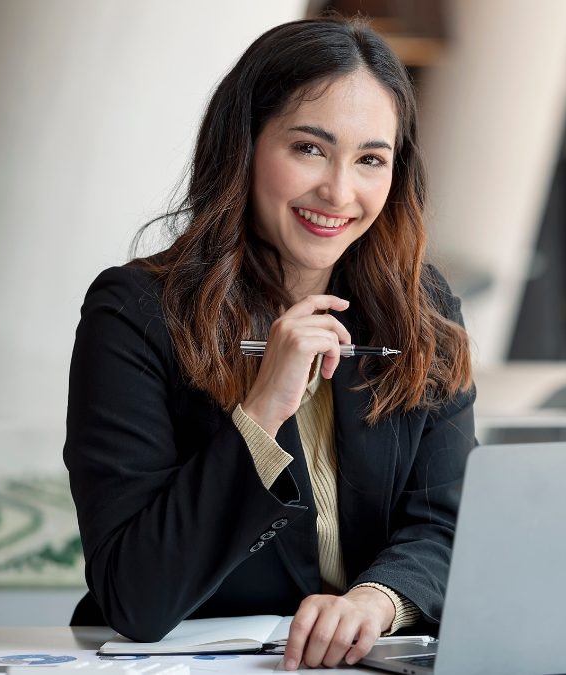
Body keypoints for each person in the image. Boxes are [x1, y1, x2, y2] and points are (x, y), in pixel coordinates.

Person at [63, 16, 475, 671]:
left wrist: (376, 600)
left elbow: (452, 525)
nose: (339, 192)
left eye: (371, 158)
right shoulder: (135, 313)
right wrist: (261, 413)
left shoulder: (420, 310)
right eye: (309, 148)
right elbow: (134, 594)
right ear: (245, 145)